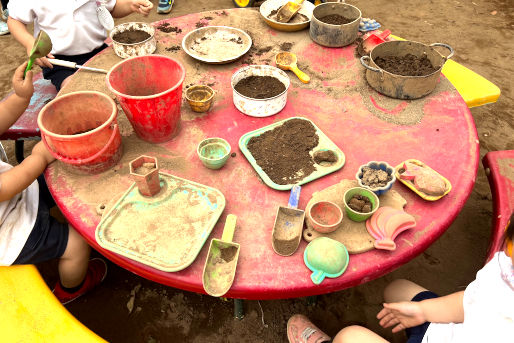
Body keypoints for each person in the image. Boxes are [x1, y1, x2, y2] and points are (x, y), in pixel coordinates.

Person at [287, 212, 514, 342]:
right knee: (398, 289)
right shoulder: (508, 268)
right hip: (453, 333)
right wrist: (424, 310)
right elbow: (478, 299)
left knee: (349, 336)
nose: (507, 260)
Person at [0, 62, 107, 305]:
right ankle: (71, 289)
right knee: (77, 245)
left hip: (16, 195)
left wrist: (20, 97)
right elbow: (5, 187)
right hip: (9, 231)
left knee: (56, 177)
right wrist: (39, 157)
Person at [7, 0, 153, 91]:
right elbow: (14, 20)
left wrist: (130, 4)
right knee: (76, 89)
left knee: (130, 78)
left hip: (99, 52)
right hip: (58, 61)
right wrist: (29, 43)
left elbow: (112, 7)